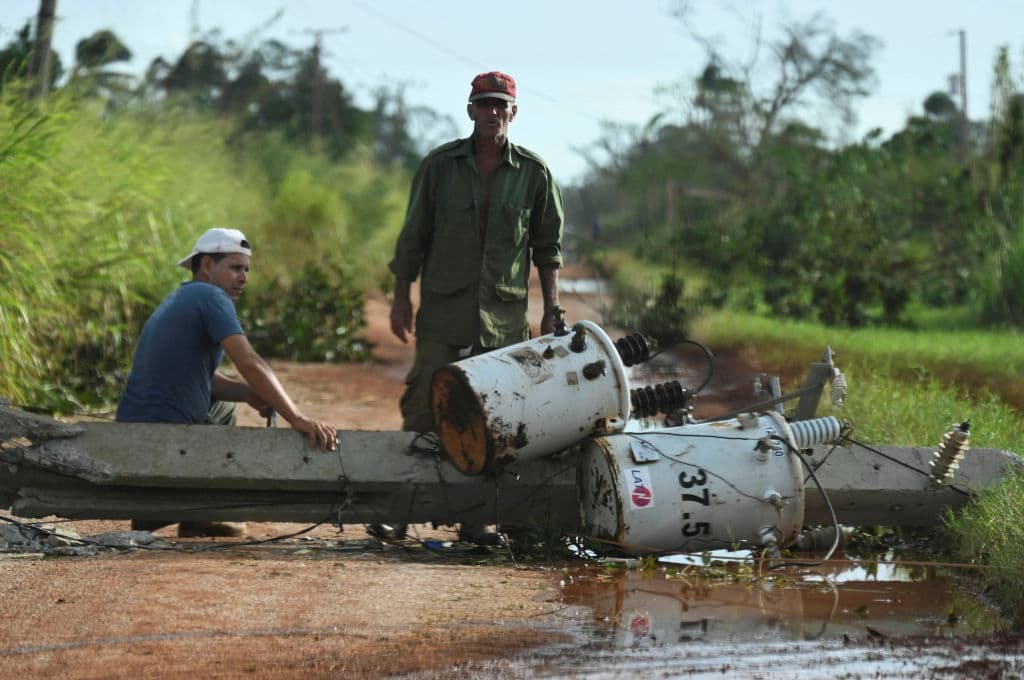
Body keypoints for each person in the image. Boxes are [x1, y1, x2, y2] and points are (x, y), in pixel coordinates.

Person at [377, 71, 564, 544]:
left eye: (501, 105)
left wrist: (552, 308)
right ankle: (401, 512)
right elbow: (413, 235)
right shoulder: (439, 166)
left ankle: (476, 520)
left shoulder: (534, 174)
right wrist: (402, 296)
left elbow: (548, 249)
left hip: (501, 322)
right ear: (470, 110)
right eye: (484, 104)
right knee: (423, 408)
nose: (493, 113)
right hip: (442, 312)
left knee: (495, 416)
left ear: (514, 113)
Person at [117, 227, 338, 537]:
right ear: (207, 265)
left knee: (222, 408)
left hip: (134, 430)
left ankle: (180, 511)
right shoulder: (212, 297)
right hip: (165, 435)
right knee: (223, 416)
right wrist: (298, 419)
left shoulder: (182, 295)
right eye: (235, 268)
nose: (244, 277)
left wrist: (249, 394)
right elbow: (249, 361)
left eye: (246, 269)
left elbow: (198, 377)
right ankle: (196, 510)